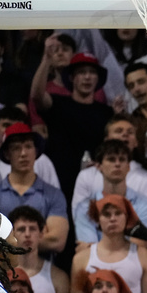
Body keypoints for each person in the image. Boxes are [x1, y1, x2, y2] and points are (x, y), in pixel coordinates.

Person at [31, 47, 114, 197]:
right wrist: (46, 60)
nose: (87, 77)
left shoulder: (107, 113)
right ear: (71, 78)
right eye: (82, 72)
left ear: (98, 78)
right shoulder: (57, 104)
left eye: (92, 72)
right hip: (60, 181)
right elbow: (36, 96)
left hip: (95, 183)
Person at [70, 195, 147, 293]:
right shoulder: (81, 259)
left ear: (127, 217)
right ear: (97, 218)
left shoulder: (144, 257)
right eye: (106, 214)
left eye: (118, 213)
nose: (112, 218)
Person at [0, 123, 69, 252]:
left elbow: (57, 241)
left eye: (28, 147)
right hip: (2, 269)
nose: (23, 153)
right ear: (7, 154)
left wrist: (7, 238)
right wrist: (36, 238)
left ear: (36, 152)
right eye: (16, 148)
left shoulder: (53, 194)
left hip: (42, 269)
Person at [72, 139, 147, 249]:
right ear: (99, 166)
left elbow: (140, 246)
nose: (117, 164)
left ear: (128, 166)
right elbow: (86, 254)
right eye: (111, 159)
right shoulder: (85, 207)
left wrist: (95, 248)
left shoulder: (145, 204)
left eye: (122, 160)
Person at [10, 205, 70, 293]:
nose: (27, 234)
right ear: (12, 234)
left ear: (41, 234)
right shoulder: (1, 274)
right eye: (21, 229)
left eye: (32, 229)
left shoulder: (58, 277)